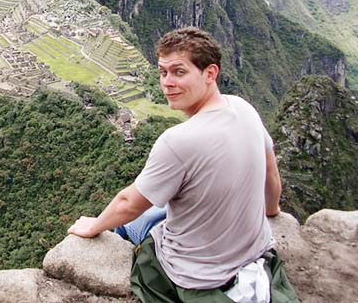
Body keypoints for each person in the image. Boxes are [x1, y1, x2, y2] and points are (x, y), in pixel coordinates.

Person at [67, 27, 297, 302]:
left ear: (210, 73)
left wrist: (93, 227)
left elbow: (129, 202)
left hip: (194, 275)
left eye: (179, 72)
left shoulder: (177, 141)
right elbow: (271, 175)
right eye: (163, 72)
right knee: (157, 209)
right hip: (252, 250)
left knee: (129, 224)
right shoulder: (244, 108)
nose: (167, 82)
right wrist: (272, 211)